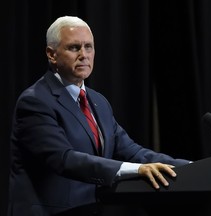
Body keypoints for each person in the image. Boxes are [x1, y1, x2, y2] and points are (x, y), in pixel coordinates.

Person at [8, 16, 191, 216]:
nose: (84, 55)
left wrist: (190, 168)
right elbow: (64, 159)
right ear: (51, 54)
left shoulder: (98, 102)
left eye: (89, 47)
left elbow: (132, 151)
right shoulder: (35, 101)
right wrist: (138, 169)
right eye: (74, 48)